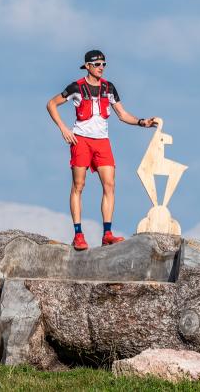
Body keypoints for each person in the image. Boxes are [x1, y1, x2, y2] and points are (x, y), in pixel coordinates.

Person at [46, 50, 156, 250]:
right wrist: (63, 129)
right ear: (87, 66)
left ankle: (107, 233)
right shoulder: (76, 87)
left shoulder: (109, 88)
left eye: (103, 64)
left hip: (102, 142)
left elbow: (122, 114)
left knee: (110, 185)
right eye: (97, 64)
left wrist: (142, 122)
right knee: (79, 186)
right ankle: (78, 234)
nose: (101, 67)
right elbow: (52, 104)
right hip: (81, 140)